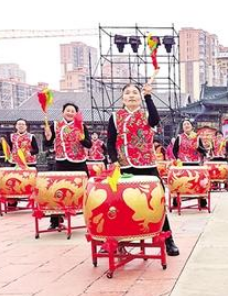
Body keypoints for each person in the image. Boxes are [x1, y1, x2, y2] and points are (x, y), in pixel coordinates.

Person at [106, 83, 180, 256]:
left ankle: (168, 240)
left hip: (147, 165)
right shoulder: (115, 117)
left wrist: (148, 96)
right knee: (119, 203)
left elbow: (155, 120)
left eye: (135, 93)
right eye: (127, 93)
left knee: (157, 202)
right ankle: (118, 240)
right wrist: (114, 161)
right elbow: (110, 142)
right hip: (124, 167)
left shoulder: (146, 115)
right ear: (122, 98)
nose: (131, 95)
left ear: (140, 97)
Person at [43, 103, 91, 229]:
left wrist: (82, 139)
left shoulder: (81, 126)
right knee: (56, 190)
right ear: (63, 112)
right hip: (61, 162)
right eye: (67, 110)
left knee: (87, 190)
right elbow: (47, 143)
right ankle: (55, 221)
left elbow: (89, 144)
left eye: (72, 111)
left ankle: (90, 220)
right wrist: (48, 138)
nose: (70, 112)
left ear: (76, 114)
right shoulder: (55, 125)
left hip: (79, 163)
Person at [172, 120, 208, 208]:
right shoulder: (179, 137)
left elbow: (204, 151)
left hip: (195, 164)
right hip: (182, 164)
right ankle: (175, 200)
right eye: (184, 124)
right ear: (183, 127)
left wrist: (198, 147)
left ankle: (202, 200)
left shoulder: (197, 137)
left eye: (188, 124)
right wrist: (177, 159)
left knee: (199, 181)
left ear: (191, 126)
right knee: (178, 181)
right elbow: (174, 150)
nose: (186, 125)